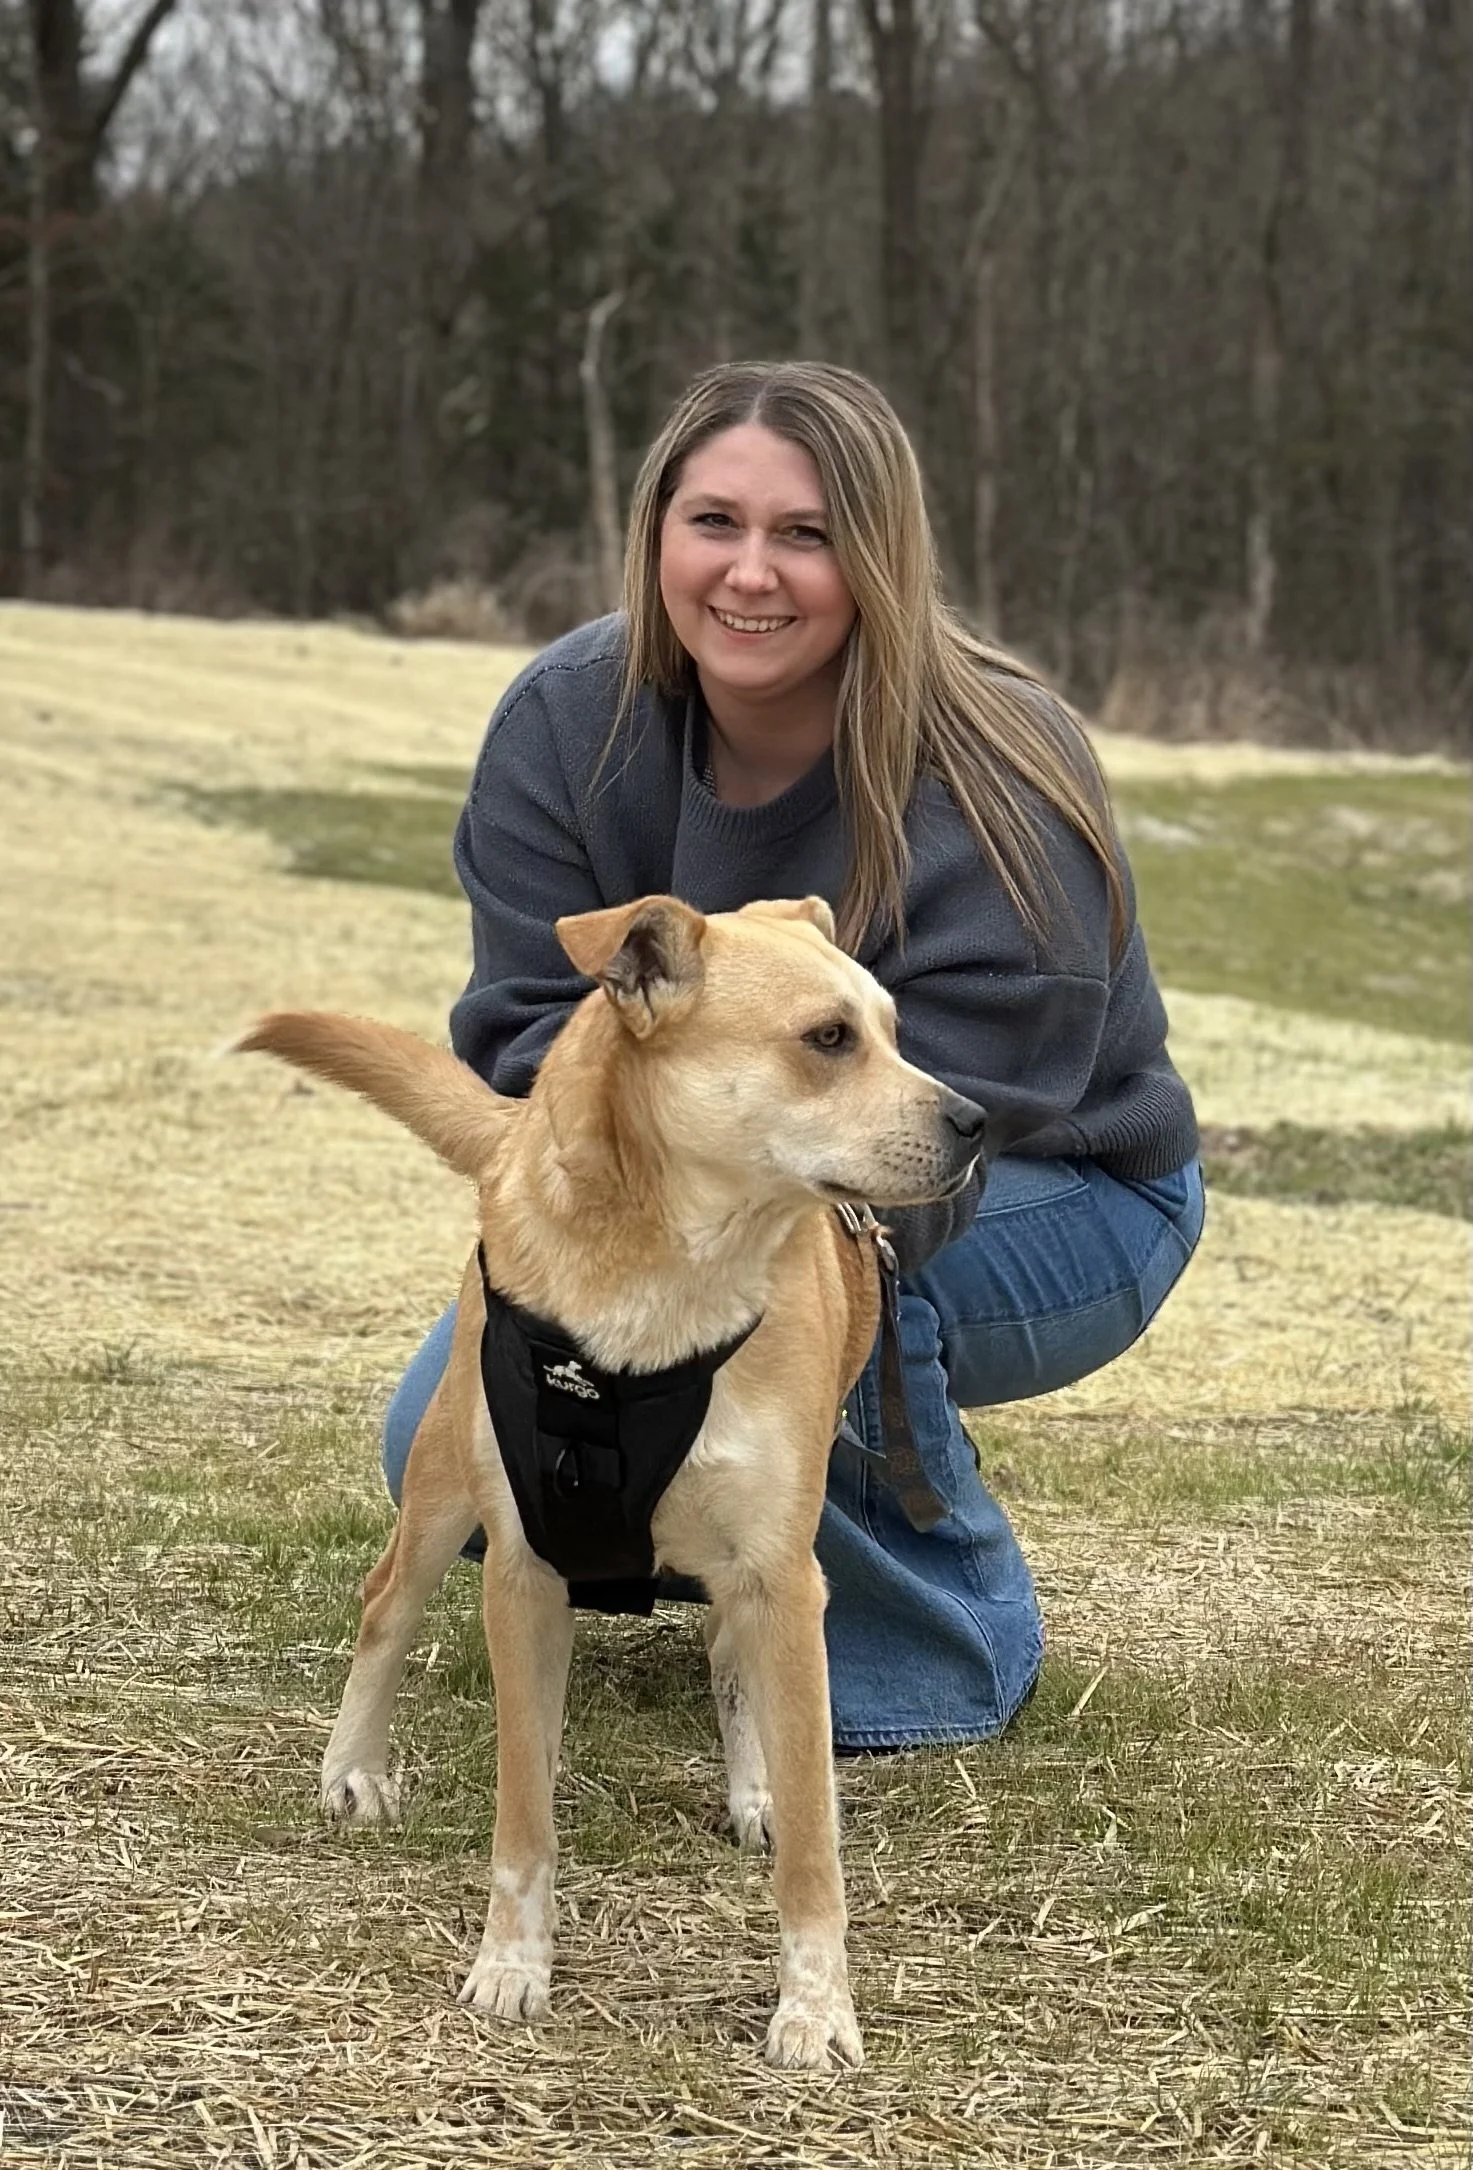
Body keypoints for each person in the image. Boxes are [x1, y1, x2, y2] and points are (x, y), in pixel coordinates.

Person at [384, 360, 1203, 1752]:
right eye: (714, 522)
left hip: (1051, 1191)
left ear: (876, 556)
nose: (750, 573)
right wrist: (620, 1244)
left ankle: (919, 1646)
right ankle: (718, 1550)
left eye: (805, 535)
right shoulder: (564, 722)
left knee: (828, 1278)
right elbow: (528, 1032)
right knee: (441, 1430)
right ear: (657, 534)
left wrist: (718, 1237)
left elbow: (948, 1135)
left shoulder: (1003, 768)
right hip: (709, 1183)